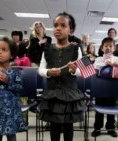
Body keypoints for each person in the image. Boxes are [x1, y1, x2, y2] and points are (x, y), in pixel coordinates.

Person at [38, 12, 86, 141]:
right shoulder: (47, 49)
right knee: (54, 126)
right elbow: (40, 70)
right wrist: (48, 72)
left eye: (63, 25)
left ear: (71, 30)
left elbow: (84, 71)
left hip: (69, 93)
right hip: (52, 93)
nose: (58, 28)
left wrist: (74, 70)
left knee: (68, 126)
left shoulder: (77, 48)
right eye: (55, 25)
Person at [91, 37, 118, 138]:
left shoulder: (116, 59)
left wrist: (116, 65)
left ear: (114, 48)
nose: (108, 48)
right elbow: (95, 66)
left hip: (112, 90)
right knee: (99, 110)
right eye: (106, 46)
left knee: (112, 110)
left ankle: (111, 128)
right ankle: (97, 128)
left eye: (110, 46)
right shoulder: (99, 59)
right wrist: (104, 63)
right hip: (100, 89)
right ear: (102, 48)